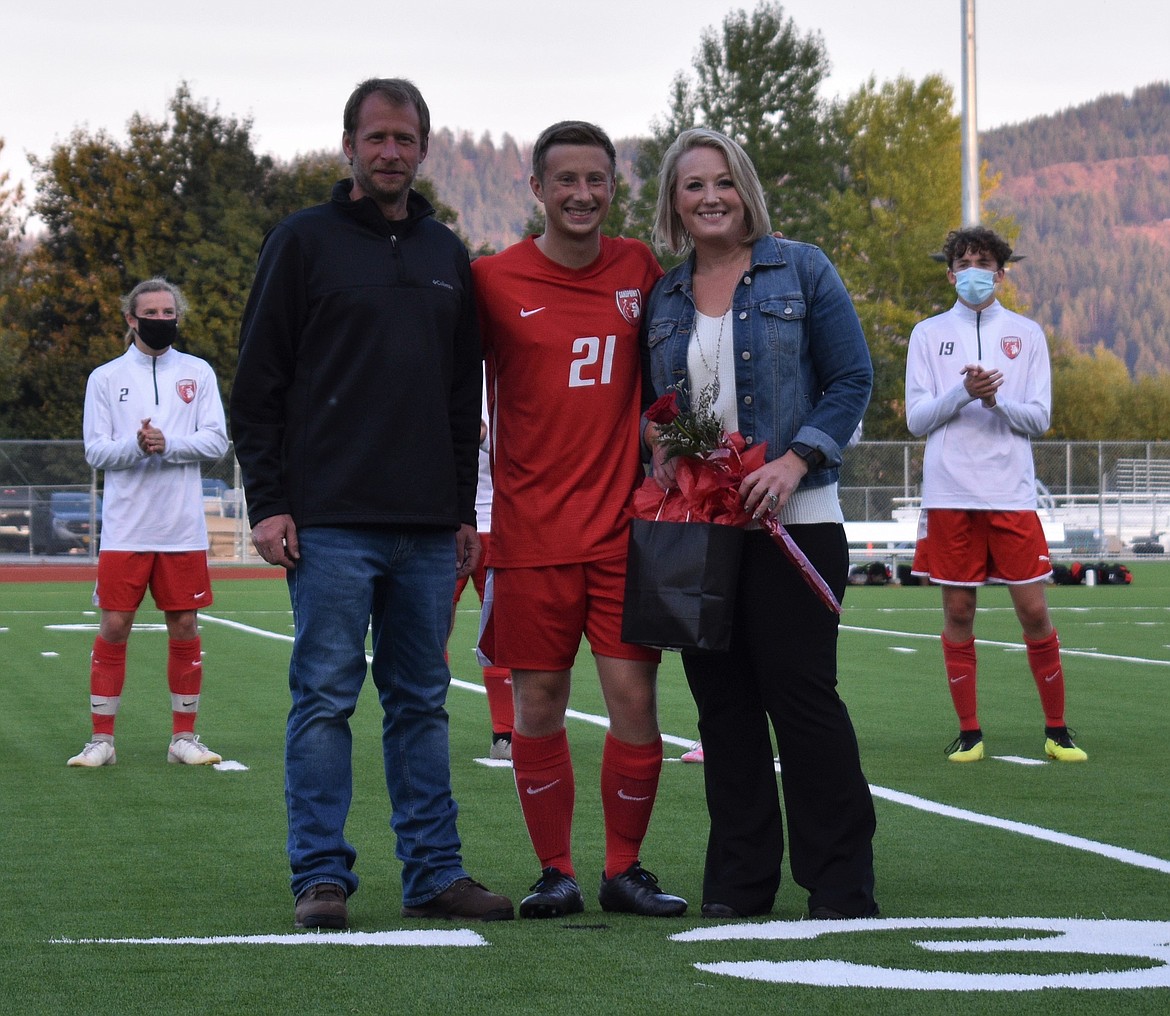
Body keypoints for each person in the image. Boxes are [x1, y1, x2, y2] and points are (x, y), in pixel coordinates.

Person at [230, 77, 513, 931]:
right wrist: (270, 503)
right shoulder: (302, 242)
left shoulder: (444, 253)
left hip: (428, 528)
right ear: (349, 144)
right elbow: (258, 385)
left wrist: (465, 510)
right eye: (376, 137)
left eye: (405, 138)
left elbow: (464, 396)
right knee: (324, 698)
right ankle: (320, 877)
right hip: (330, 525)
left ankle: (433, 873)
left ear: (423, 149)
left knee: (422, 702)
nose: (391, 152)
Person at [643, 128, 878, 921]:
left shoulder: (801, 267)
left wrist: (794, 462)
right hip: (702, 537)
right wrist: (665, 449)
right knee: (723, 713)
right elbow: (663, 411)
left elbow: (851, 379)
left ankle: (841, 883)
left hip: (797, 524)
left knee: (803, 700)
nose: (710, 197)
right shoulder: (665, 298)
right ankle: (741, 886)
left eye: (723, 182)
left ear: (745, 189)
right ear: (673, 204)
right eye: (691, 186)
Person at [474, 121, 686, 919]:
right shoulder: (492, 279)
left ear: (613, 186)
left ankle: (624, 871)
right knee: (538, 706)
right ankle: (555, 871)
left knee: (635, 702)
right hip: (528, 538)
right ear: (536, 188)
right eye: (565, 180)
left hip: (622, 536)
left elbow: (669, 374)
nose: (582, 195)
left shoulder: (638, 266)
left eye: (596, 179)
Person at [905, 226, 1087, 764]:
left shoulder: (1027, 335)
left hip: (1010, 493)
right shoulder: (927, 333)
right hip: (949, 493)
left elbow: (1041, 418)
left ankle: (1057, 730)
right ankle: (969, 732)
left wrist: (996, 399)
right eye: (963, 263)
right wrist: (964, 391)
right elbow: (917, 420)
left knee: (1033, 611)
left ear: (1002, 273)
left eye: (983, 263)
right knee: (958, 609)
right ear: (949, 272)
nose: (973, 272)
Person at [68, 277, 228, 768]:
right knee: (115, 624)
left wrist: (169, 444)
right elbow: (95, 451)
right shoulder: (105, 377)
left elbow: (217, 442)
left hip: (182, 528)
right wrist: (137, 446)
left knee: (184, 624)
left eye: (169, 312)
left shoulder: (198, 373)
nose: (162, 320)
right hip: (125, 528)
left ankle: (184, 738)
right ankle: (102, 741)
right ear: (131, 320)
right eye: (151, 313)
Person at [449, 386, 514, 760]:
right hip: (445, 518)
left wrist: (487, 436)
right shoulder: (442, 350)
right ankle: (425, 723)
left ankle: (504, 733)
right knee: (430, 629)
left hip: (501, 519)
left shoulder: (512, 352)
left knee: (503, 633)